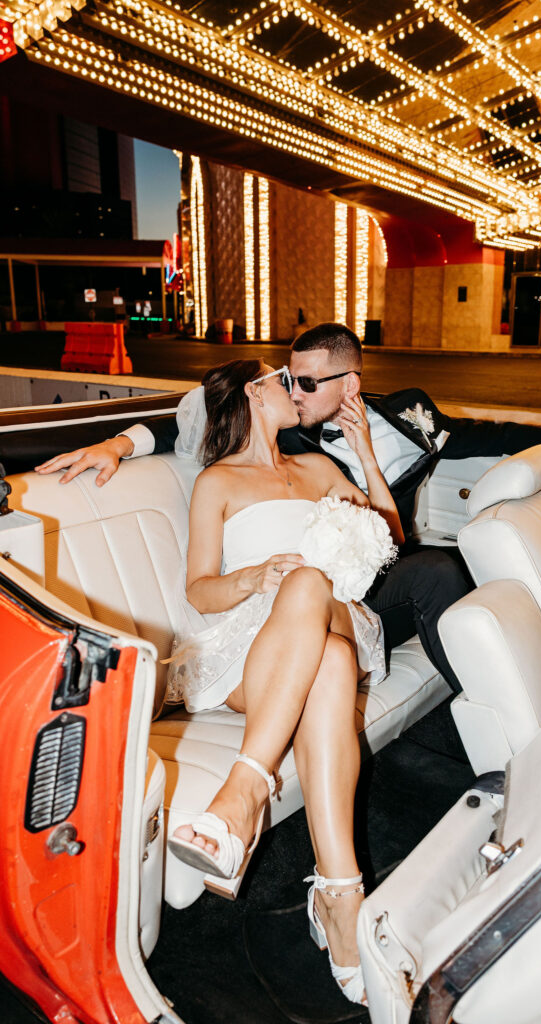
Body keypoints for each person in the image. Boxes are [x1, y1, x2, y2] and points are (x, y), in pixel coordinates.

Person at [36, 323, 541, 693]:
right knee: (441, 573)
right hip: (326, 593)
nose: (296, 392)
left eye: (307, 382)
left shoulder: (409, 415)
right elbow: (201, 421)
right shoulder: (291, 437)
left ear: (350, 385)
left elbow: (493, 433)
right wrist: (120, 443)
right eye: (289, 378)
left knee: (472, 568)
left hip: (384, 567)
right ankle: (493, 705)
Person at [165, 357, 404, 1006]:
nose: (296, 390)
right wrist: (252, 577)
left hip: (330, 614)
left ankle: (243, 789)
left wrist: (364, 455)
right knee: (324, 658)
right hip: (250, 647)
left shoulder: (320, 469)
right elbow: (199, 590)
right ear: (253, 392)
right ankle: (339, 897)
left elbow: (387, 539)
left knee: (311, 589)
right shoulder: (217, 483)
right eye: (283, 380)